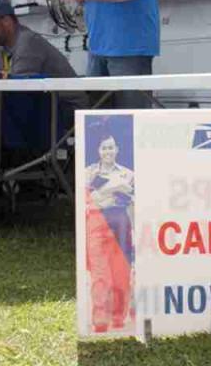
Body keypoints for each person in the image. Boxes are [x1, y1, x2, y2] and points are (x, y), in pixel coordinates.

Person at [0, 0, 87, 111]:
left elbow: (18, 89)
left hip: (68, 107)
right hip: (43, 105)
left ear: (7, 21)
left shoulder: (28, 42)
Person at [85, 135, 134, 333]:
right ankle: (100, 319)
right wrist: (114, 187)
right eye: (104, 148)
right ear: (98, 150)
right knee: (100, 272)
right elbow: (91, 199)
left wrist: (104, 192)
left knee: (121, 271)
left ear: (117, 149)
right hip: (97, 220)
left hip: (121, 219)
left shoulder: (128, 173)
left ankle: (118, 317)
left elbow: (131, 197)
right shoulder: (89, 172)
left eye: (111, 147)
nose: (108, 151)